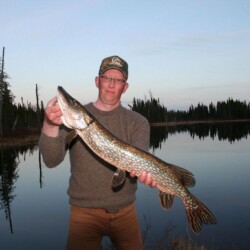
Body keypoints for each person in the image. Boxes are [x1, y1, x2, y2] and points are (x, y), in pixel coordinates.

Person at [39, 55, 157, 250]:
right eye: (106, 78)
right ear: (97, 81)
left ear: (125, 87)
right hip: (83, 213)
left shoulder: (139, 122)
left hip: (125, 211)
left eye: (118, 80)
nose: (111, 84)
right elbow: (51, 160)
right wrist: (50, 124)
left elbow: (139, 163)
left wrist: (146, 174)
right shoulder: (72, 122)